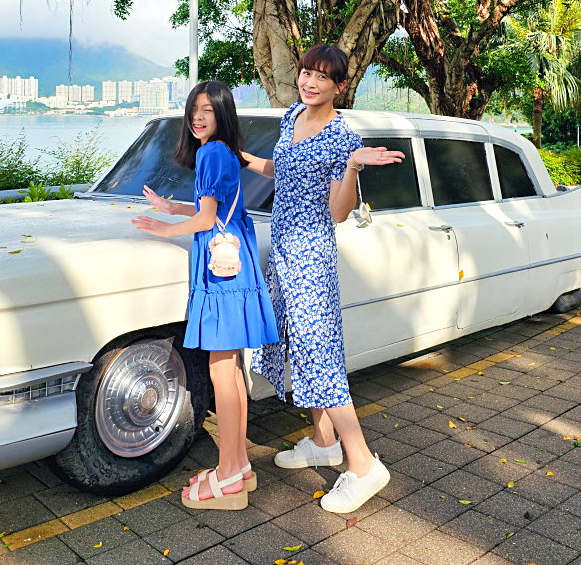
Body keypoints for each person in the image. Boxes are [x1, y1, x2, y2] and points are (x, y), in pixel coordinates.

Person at [244, 44, 405, 514]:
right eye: (306, 72)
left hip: (312, 255)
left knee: (321, 358)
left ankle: (363, 465)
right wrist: (243, 158)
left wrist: (354, 165)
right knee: (297, 344)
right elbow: (285, 168)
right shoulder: (291, 115)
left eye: (322, 77)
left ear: (339, 86)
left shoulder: (340, 136)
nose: (310, 82)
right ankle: (323, 441)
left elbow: (337, 212)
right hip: (284, 253)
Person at [131, 80, 278, 511]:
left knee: (222, 371)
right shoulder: (224, 151)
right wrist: (171, 207)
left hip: (220, 269)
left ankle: (230, 472)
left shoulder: (212, 152)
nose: (197, 117)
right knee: (231, 369)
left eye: (206, 110)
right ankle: (239, 466)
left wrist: (165, 228)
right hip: (235, 261)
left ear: (222, 114)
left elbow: (208, 218)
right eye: (194, 109)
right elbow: (211, 206)